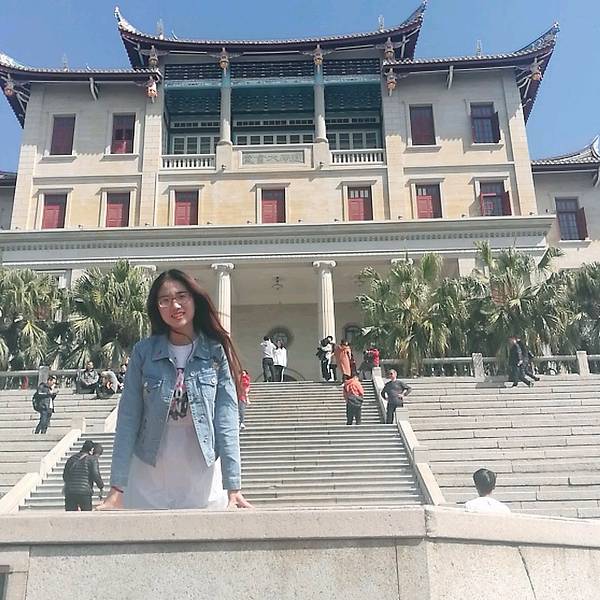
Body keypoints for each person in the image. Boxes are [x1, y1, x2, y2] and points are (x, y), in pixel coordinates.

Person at [97, 269, 252, 511]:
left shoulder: (215, 351)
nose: (175, 305)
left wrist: (234, 487)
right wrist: (117, 488)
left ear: (194, 299)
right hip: (149, 469)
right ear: (156, 307)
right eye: (165, 300)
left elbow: (227, 419)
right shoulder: (144, 352)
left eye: (182, 296)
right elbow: (128, 418)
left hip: (202, 469)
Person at [63, 440, 104, 512]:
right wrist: (101, 486)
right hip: (84, 492)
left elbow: (65, 476)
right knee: (86, 516)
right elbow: (96, 475)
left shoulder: (71, 459)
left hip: (70, 492)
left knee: (70, 516)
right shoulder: (92, 459)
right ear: (91, 450)